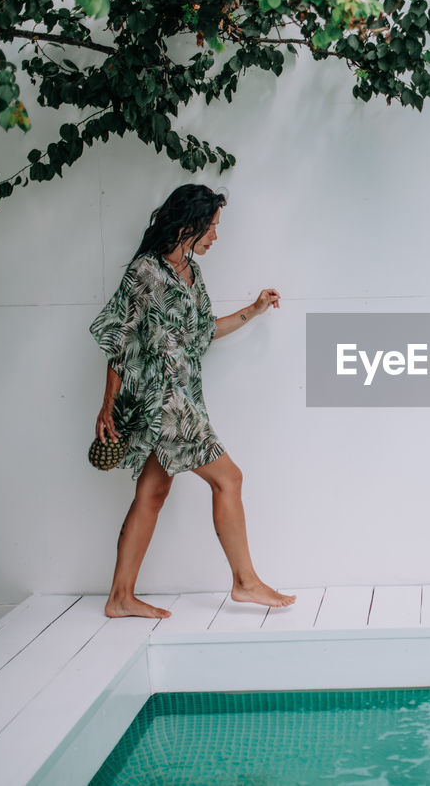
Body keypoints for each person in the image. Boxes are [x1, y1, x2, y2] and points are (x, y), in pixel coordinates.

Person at [90, 184, 295, 619]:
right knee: (229, 479)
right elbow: (118, 339)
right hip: (162, 400)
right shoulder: (145, 271)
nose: (215, 237)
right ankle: (244, 582)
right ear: (189, 223)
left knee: (152, 492)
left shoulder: (191, 273)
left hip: (185, 397)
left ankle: (120, 597)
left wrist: (253, 310)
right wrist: (108, 405)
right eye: (212, 227)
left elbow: (202, 333)